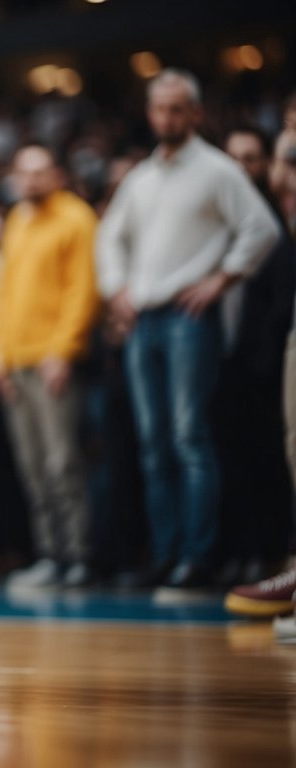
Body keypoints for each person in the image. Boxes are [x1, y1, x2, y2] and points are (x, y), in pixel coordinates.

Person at [97, 70, 280, 588]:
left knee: (188, 437)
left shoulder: (218, 170)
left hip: (187, 318)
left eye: (178, 108)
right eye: (159, 108)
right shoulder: (142, 177)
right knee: (154, 444)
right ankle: (167, 552)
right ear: (150, 112)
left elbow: (262, 228)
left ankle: (198, 556)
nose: (167, 118)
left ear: (195, 113)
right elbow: (109, 238)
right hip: (144, 317)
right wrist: (117, 289)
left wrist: (221, 279)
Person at [0, 145, 102, 588]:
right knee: (33, 466)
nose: (32, 180)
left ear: (56, 173)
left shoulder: (76, 218)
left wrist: (63, 350)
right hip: (16, 363)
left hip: (52, 360)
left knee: (62, 464)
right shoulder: (18, 219)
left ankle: (79, 556)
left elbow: (83, 290)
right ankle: (50, 556)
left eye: (40, 171)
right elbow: (5, 294)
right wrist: (0, 356)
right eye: (24, 172)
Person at [214, 127, 296, 585]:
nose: (243, 167)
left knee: (273, 462)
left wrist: (264, 361)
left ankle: (273, 554)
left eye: (252, 158)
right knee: (233, 463)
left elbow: (279, 300)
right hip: (223, 362)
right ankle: (242, 553)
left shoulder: (274, 218)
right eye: (235, 157)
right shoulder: (216, 220)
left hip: (266, 362)